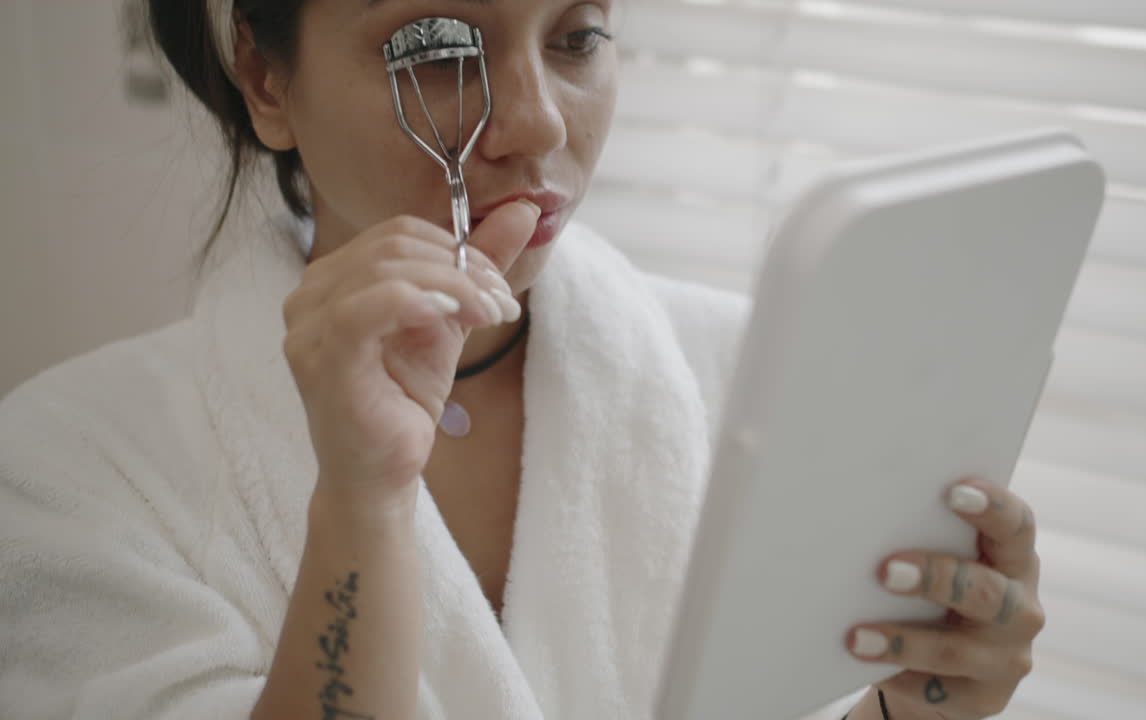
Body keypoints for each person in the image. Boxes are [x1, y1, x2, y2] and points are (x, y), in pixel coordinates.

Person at [0, 1, 1045, 718]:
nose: (540, 119)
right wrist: (358, 508)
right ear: (266, 79)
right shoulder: (67, 469)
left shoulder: (742, 376)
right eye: (435, 45)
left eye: (577, 35)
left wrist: (908, 709)